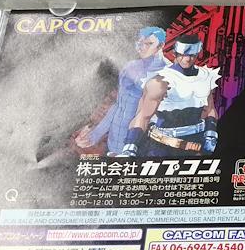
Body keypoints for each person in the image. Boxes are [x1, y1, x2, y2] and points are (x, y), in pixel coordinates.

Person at [120, 33, 220, 157]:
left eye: (191, 55)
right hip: (162, 146)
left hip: (196, 143)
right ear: (175, 53)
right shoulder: (161, 81)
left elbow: (209, 109)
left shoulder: (205, 77)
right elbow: (143, 117)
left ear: (197, 53)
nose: (187, 59)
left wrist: (211, 134)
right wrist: (129, 148)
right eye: (183, 54)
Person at [75, 26, 168, 155]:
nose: (143, 47)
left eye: (149, 44)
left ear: (161, 45)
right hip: (114, 145)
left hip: (143, 149)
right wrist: (96, 134)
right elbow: (119, 105)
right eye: (140, 43)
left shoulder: (170, 74)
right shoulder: (130, 67)